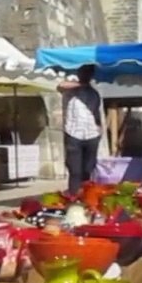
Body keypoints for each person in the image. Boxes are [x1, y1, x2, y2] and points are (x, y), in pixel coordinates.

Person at [59, 64, 103, 195]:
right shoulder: (71, 89)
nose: (86, 75)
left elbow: (96, 112)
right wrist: (80, 84)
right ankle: (74, 197)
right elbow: (60, 86)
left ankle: (86, 195)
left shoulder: (94, 93)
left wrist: (99, 128)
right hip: (73, 133)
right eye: (84, 72)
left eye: (89, 72)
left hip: (92, 134)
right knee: (75, 170)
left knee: (88, 169)